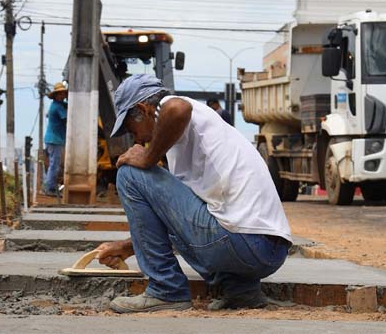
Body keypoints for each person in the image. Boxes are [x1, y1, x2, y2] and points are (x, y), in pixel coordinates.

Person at [95, 74, 292, 313]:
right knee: (210, 214)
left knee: (129, 173)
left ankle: (165, 290)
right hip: (270, 251)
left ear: (143, 110)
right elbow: (180, 222)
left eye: (131, 128)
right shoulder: (201, 130)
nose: (136, 138)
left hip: (240, 242)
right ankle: (241, 291)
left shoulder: (174, 106)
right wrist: (129, 246)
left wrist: (147, 158)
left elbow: (177, 108)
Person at [42, 82, 68, 196]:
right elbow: (67, 118)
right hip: (54, 139)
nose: (62, 96)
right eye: (60, 94)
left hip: (53, 139)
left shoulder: (57, 105)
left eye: (63, 93)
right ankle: (50, 188)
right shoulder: (58, 107)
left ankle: (50, 186)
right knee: (54, 164)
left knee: (54, 164)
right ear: (56, 96)